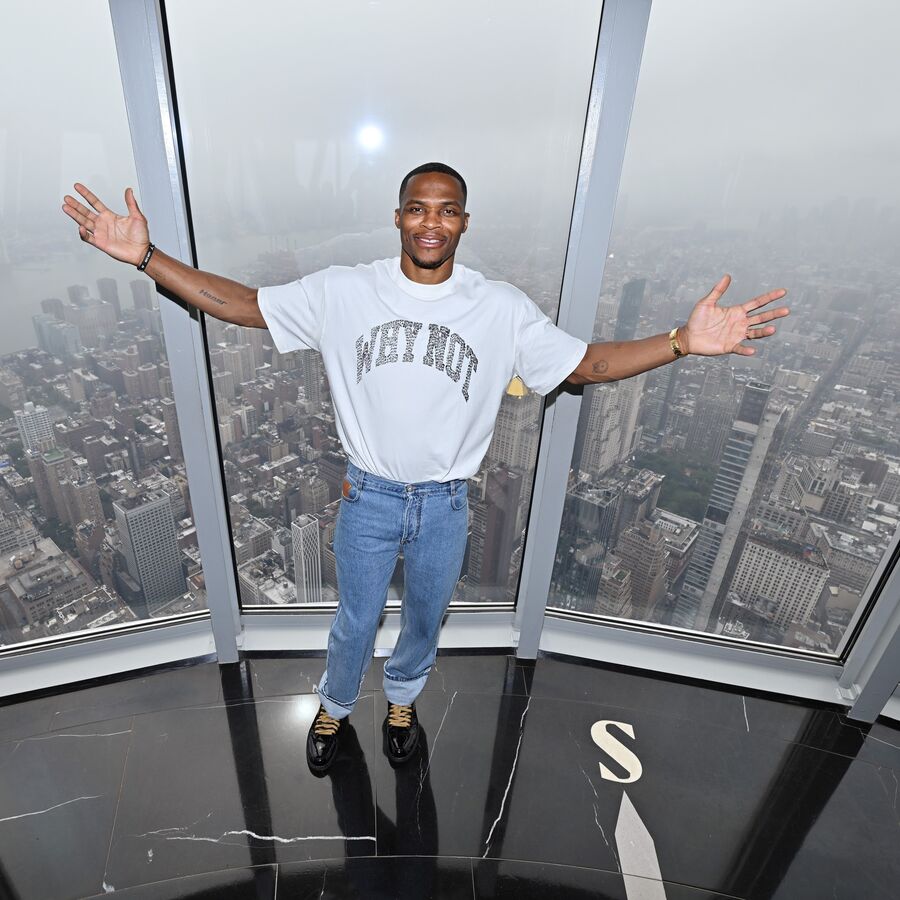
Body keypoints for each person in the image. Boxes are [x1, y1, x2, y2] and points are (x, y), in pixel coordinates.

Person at [62, 162, 789, 773]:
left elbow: (587, 364)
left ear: (465, 222)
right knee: (354, 620)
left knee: (425, 619)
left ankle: (402, 700)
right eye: (418, 208)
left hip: (446, 503)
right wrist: (148, 258)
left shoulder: (500, 308)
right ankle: (336, 708)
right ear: (399, 217)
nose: (431, 221)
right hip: (366, 496)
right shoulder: (346, 290)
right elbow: (244, 306)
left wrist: (681, 341)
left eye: (447, 210)